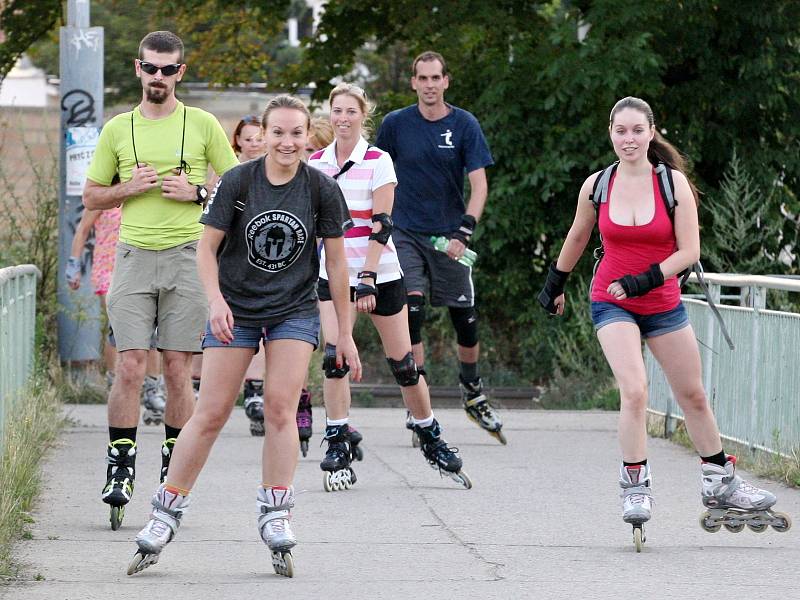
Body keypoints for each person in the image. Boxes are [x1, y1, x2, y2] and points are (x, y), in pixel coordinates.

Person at [537, 96, 790, 549]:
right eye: (621, 131)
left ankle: (719, 481)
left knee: (692, 394)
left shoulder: (673, 184)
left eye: (637, 130)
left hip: (661, 301)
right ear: (610, 134)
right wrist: (555, 282)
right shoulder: (598, 185)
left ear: (651, 133)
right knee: (634, 391)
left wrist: (646, 279)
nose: (629, 139)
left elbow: (689, 252)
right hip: (611, 300)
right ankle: (635, 484)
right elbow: (578, 234)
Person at [128, 94, 361, 578]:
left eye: (296, 133)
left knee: (280, 407)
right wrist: (215, 302)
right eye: (278, 132)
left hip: (293, 310)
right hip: (236, 310)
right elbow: (206, 250)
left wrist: (345, 333)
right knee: (210, 413)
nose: (287, 141)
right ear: (266, 134)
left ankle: (276, 513)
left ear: (307, 135)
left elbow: (337, 264)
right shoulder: (237, 182)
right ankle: (165, 512)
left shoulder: (320, 189)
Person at [82, 30, 239, 530]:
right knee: (129, 365)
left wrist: (195, 192)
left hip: (188, 257)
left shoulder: (203, 124)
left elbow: (239, 190)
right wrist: (129, 186)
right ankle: (120, 465)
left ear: (180, 74)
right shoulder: (118, 129)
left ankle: (173, 471)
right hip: (132, 254)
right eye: (151, 68)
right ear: (137, 68)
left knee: (176, 368)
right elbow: (90, 196)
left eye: (168, 70)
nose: (158, 77)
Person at [309, 83, 471, 491]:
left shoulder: (378, 160)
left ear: (364, 115)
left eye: (351, 111)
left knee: (404, 365)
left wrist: (367, 278)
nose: (343, 118)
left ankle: (430, 434)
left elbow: (382, 225)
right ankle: (337, 437)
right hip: (333, 275)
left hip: (379, 273)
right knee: (335, 357)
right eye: (337, 111)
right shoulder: (315, 163)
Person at [375, 51, 505, 444]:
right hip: (405, 233)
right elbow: (379, 174)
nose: (429, 85)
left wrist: (463, 233)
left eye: (436, 78)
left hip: (449, 236)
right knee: (410, 311)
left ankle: (472, 390)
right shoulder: (395, 125)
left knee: (465, 318)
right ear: (413, 82)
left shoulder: (464, 124)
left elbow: (479, 185)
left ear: (446, 81)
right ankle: (421, 409)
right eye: (422, 78)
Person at [66, 207, 167, 424]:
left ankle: (152, 390)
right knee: (118, 330)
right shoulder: (106, 197)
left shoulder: (144, 194)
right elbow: (83, 229)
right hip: (109, 271)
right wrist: (73, 265)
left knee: (150, 330)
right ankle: (116, 384)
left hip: (142, 269)